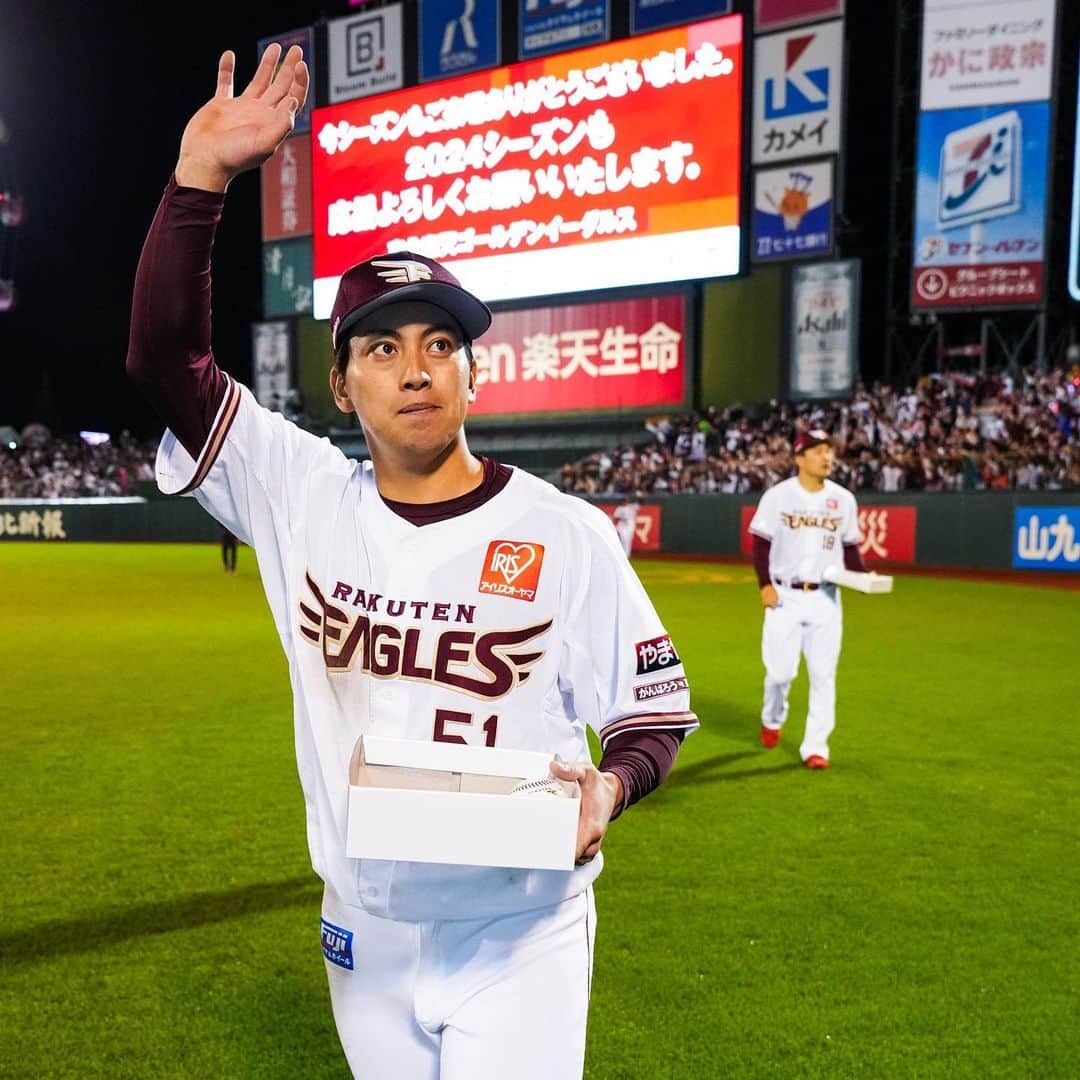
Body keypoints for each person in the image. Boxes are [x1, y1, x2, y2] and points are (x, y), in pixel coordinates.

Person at [125, 43, 698, 1079]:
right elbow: (166, 361)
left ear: (477, 373)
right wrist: (199, 178)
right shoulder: (299, 492)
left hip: (519, 926)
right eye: (381, 349)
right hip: (365, 925)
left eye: (441, 343)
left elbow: (650, 714)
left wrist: (608, 791)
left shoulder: (567, 532)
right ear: (342, 386)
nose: (416, 369)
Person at [747, 429, 865, 769]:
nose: (826, 457)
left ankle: (816, 746)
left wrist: (862, 576)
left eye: (828, 451)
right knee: (780, 673)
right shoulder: (779, 496)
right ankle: (773, 718)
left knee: (823, 674)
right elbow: (761, 543)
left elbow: (850, 546)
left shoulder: (843, 499)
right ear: (799, 458)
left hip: (826, 599)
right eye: (817, 451)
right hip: (783, 594)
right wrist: (764, 584)